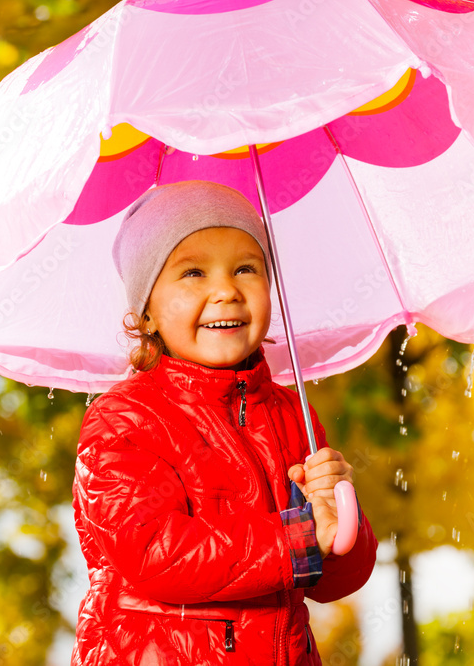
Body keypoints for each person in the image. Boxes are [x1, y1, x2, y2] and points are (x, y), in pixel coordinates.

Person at [71, 180, 378, 665]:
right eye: (193, 272)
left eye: (246, 268)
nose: (226, 291)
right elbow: (155, 553)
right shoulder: (124, 418)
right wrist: (295, 539)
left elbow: (333, 582)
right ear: (147, 313)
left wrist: (339, 523)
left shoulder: (291, 412)